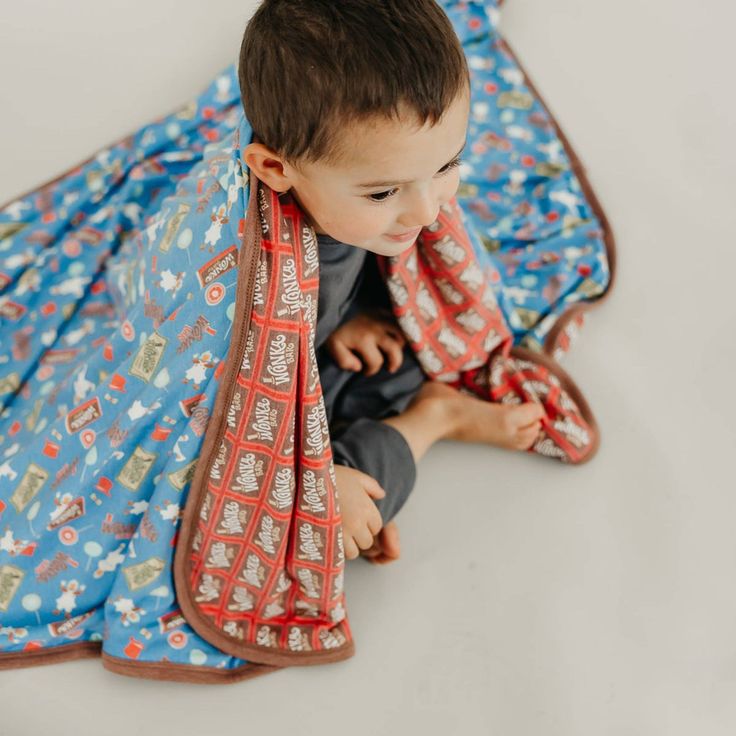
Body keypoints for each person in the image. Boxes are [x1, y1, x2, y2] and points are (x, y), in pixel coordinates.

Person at [239, 0, 545, 567]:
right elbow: (215, 409)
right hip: (260, 400)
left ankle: (429, 407)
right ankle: (431, 419)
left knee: (411, 355)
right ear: (276, 170)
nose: (427, 211)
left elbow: (358, 269)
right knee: (299, 531)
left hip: (332, 352)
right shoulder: (252, 278)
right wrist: (327, 478)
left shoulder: (356, 198)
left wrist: (343, 317)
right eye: (383, 193)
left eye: (448, 164)